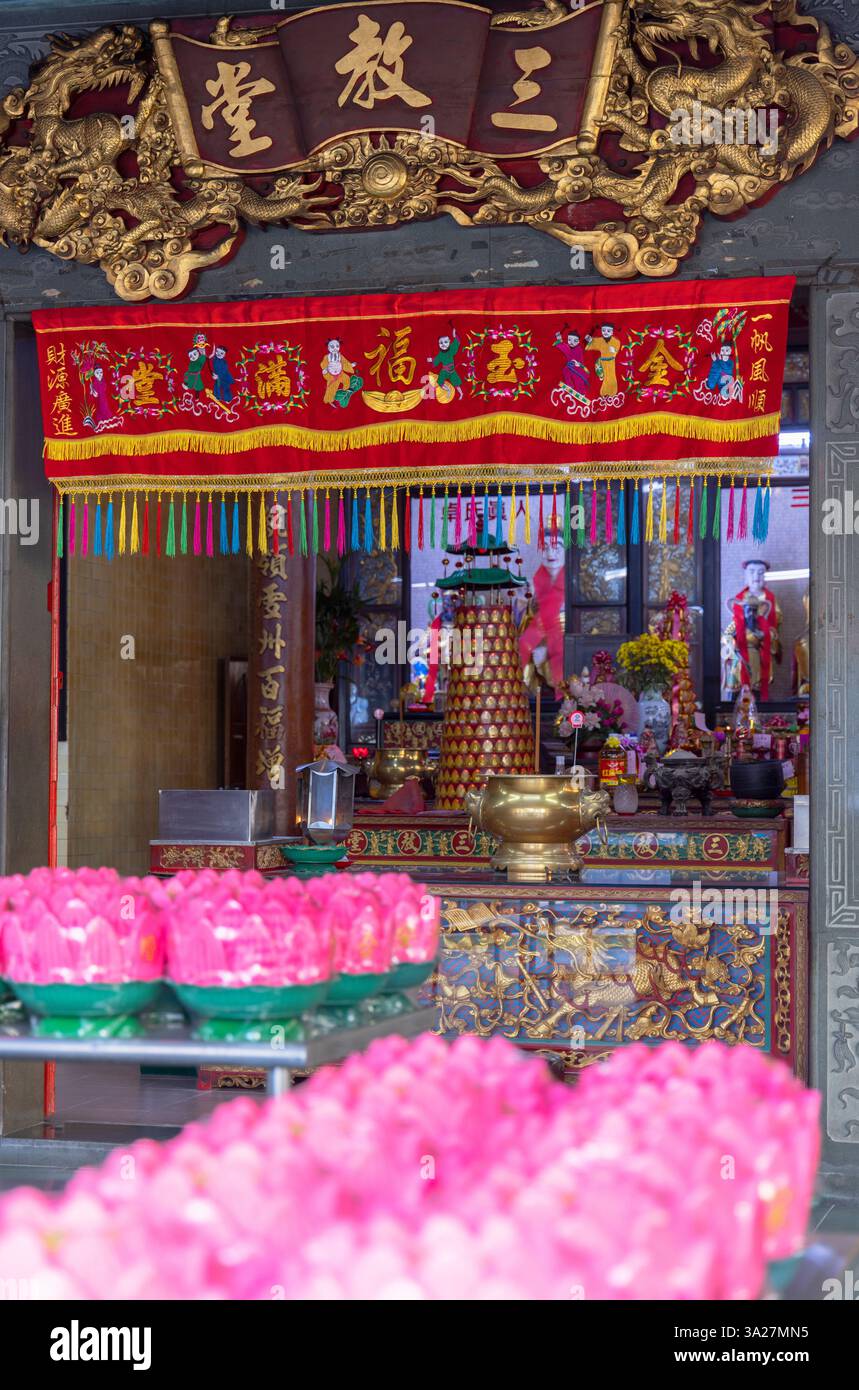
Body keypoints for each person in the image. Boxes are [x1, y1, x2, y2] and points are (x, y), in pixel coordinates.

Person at [721, 559, 782, 700]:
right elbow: (727, 635)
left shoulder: (770, 600)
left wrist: (765, 633)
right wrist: (732, 644)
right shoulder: (739, 610)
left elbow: (774, 625)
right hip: (740, 656)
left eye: (761, 573)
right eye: (752, 572)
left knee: (757, 688)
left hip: (757, 654)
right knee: (736, 689)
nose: (756, 577)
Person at [584, 323, 621, 397]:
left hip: (611, 361)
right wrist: (589, 340)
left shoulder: (616, 341)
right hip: (602, 361)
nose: (605, 332)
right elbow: (593, 343)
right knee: (605, 377)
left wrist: (613, 351)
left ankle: (612, 393)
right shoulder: (600, 340)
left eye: (608, 331)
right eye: (603, 330)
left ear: (612, 332)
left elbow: (616, 351)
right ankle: (604, 392)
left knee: (611, 376)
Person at [554, 329, 589, 395]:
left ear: (578, 341)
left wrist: (578, 364)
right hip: (570, 366)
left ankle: (582, 392)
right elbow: (562, 346)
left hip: (578, 368)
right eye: (569, 340)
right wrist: (559, 338)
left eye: (575, 341)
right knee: (565, 371)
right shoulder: (568, 347)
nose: (571, 342)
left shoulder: (579, 349)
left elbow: (580, 359)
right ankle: (570, 385)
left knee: (578, 380)